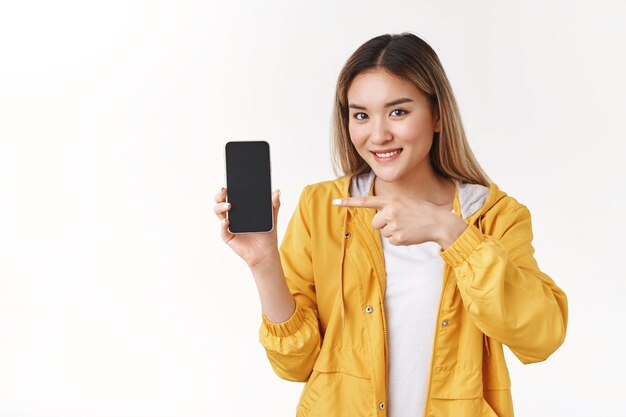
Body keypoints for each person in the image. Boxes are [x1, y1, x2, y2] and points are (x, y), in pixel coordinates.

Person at [213, 32, 568, 417]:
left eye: (398, 111)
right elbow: (295, 364)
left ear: (437, 116)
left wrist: (449, 231)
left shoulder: (494, 216)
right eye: (361, 115)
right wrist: (264, 264)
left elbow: (541, 336)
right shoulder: (322, 207)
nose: (378, 134)